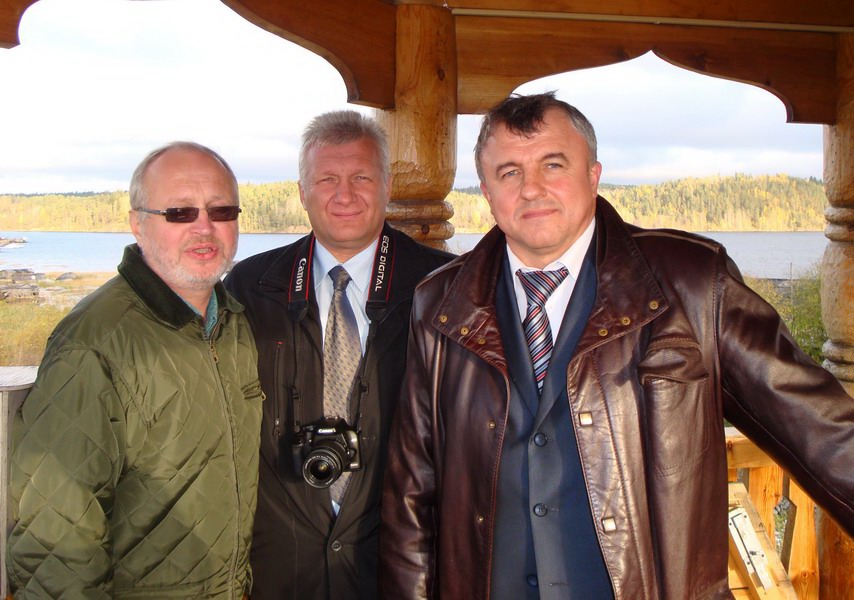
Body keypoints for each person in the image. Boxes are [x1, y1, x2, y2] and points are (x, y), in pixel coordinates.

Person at [379, 92, 854, 599]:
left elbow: (820, 431)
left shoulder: (693, 283)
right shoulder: (440, 304)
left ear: (593, 175)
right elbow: (411, 494)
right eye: (509, 172)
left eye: (553, 164)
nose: (531, 188)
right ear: (487, 191)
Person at [6, 142, 264, 599]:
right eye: (180, 212)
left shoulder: (233, 324)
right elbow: (56, 534)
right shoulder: (94, 341)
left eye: (221, 210)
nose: (204, 227)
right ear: (137, 223)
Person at [224, 110, 453, 600]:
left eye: (361, 178)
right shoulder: (250, 286)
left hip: (400, 565)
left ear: (387, 186)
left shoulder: (445, 287)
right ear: (302, 191)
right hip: (281, 570)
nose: (344, 195)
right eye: (327, 179)